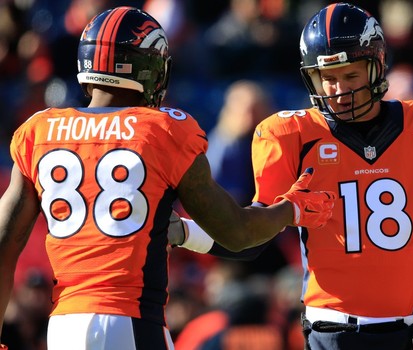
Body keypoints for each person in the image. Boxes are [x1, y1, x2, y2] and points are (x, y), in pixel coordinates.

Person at [0, 6, 336, 350]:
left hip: (63, 327)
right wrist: (290, 210)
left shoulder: (38, 130)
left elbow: (3, 243)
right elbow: (237, 234)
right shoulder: (163, 130)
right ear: (151, 68)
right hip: (128, 319)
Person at [169, 3, 413, 350]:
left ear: (377, 67)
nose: (338, 90)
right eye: (327, 78)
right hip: (334, 332)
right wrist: (183, 232)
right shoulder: (291, 134)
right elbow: (253, 237)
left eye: (350, 75)